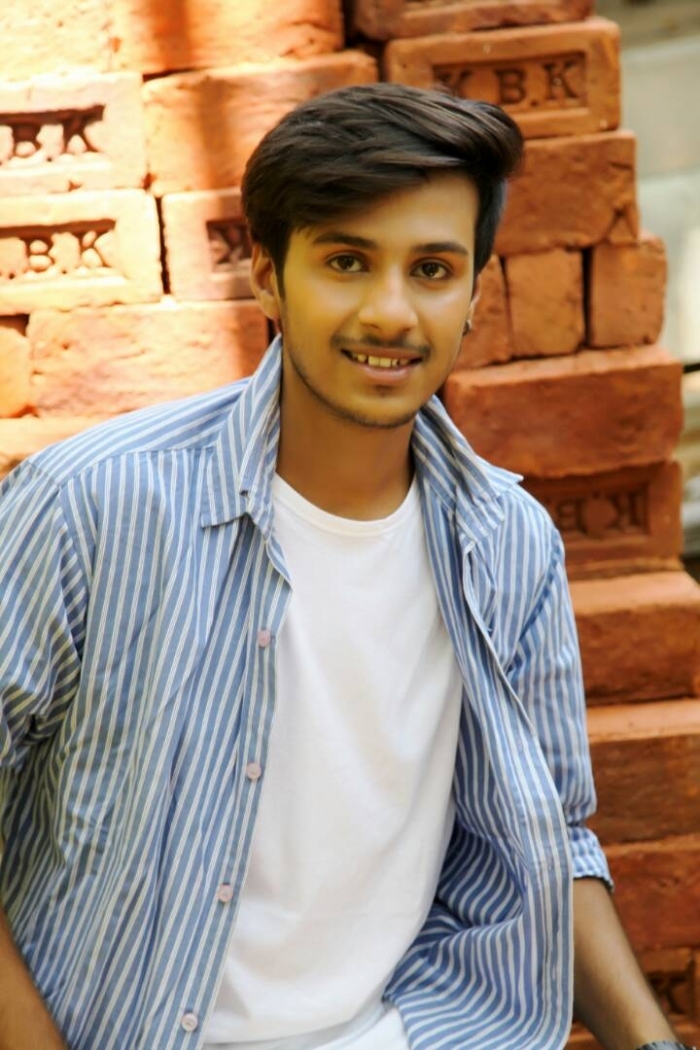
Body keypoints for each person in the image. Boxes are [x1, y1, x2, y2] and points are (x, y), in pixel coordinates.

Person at [0, 83, 691, 1050]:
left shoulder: (510, 543)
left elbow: (550, 844)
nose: (391, 312)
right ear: (268, 277)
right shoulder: (91, 507)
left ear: (474, 296)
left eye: (433, 269)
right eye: (346, 262)